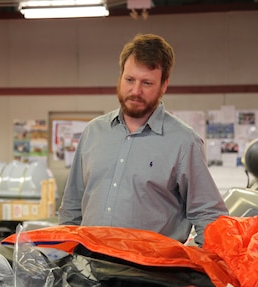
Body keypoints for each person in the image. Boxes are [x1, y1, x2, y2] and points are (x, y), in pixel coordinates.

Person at [58, 33, 228, 247]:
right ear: (120, 77)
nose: (135, 91)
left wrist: (196, 266)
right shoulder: (94, 132)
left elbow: (210, 217)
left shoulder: (184, 143)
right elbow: (72, 206)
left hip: (150, 276)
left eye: (147, 83)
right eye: (129, 80)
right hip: (89, 272)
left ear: (164, 85)